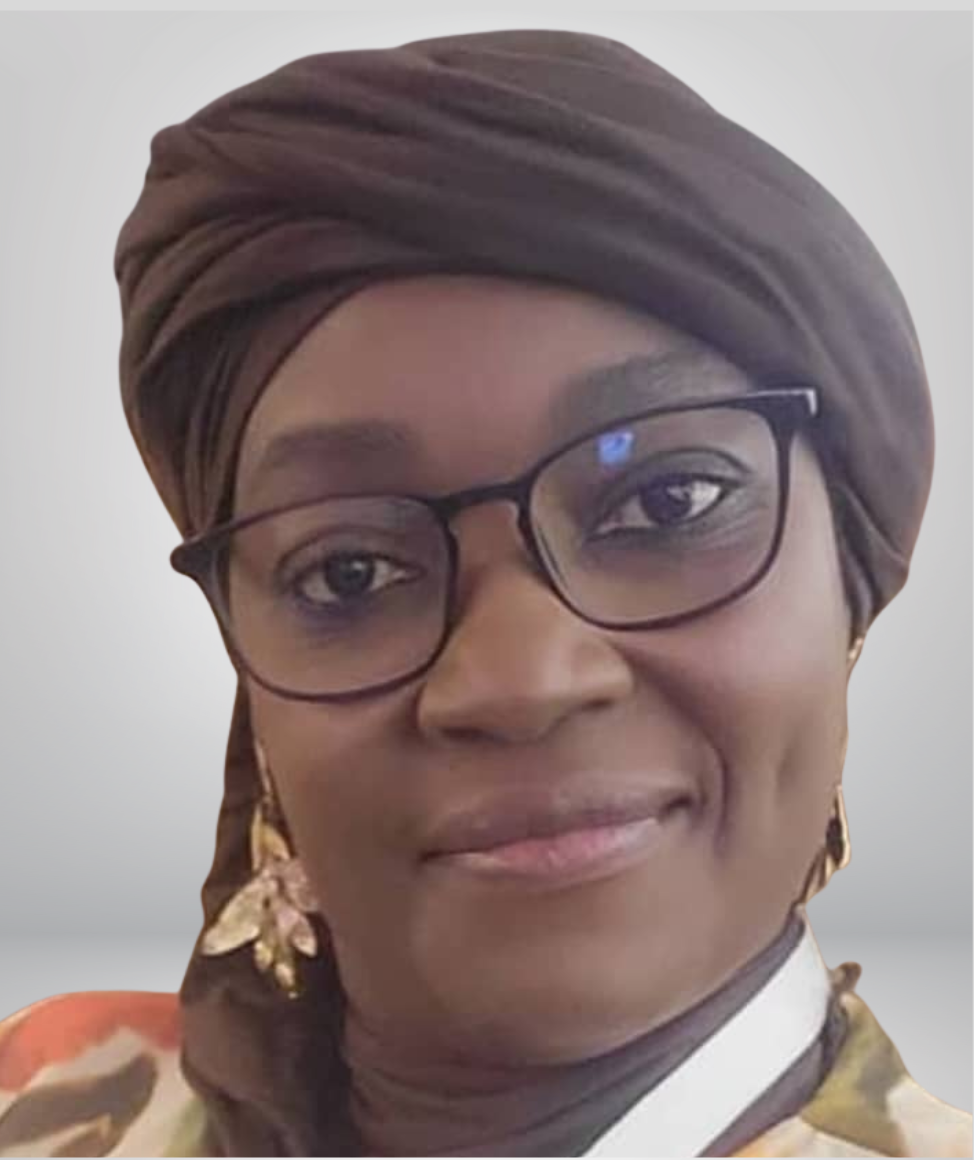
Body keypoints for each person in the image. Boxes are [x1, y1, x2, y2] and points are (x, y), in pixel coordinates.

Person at [0, 27, 970, 1159]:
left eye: (666, 504)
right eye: (350, 571)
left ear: (849, 583)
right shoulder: (46, 1099)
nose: (518, 681)